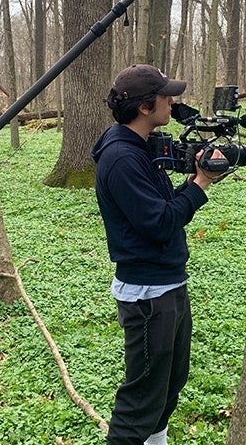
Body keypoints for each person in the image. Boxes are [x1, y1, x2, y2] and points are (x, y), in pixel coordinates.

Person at [90, 64, 223, 445]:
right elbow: (160, 223)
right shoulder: (121, 158)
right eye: (167, 96)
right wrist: (200, 184)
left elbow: (159, 208)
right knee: (142, 398)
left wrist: (193, 179)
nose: (173, 101)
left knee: (169, 385)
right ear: (146, 106)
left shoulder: (139, 148)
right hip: (148, 294)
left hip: (168, 284)